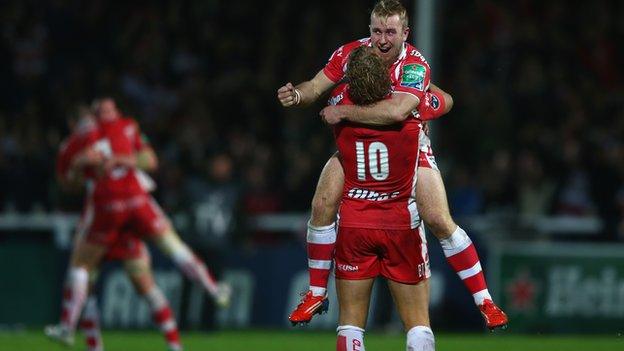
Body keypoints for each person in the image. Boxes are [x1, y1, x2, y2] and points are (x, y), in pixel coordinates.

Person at [278, 0, 507, 330]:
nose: (382, 40)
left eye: (390, 32)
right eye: (376, 31)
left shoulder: (414, 64)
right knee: (322, 202)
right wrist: (297, 95)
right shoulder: (351, 54)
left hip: (407, 148)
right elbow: (315, 86)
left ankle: (484, 300)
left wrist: (343, 111)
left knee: (439, 219)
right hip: (358, 147)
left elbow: (400, 111)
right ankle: (316, 291)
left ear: (405, 33)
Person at [45, 98, 231, 345]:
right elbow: (150, 161)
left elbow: (67, 184)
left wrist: (83, 165)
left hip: (106, 214)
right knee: (157, 266)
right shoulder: (126, 126)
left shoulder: (75, 144)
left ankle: (72, 330)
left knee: (83, 272)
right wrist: (117, 161)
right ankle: (203, 301)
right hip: (131, 208)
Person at [47, 105, 183, 351]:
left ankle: (170, 344)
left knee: (102, 279)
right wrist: (80, 165)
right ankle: (170, 344)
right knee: (102, 284)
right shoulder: (81, 147)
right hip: (109, 221)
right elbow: (70, 185)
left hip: (114, 221)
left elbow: (148, 163)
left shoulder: (114, 138)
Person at [332, 45, 434, 350]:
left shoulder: (338, 108)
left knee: (350, 321)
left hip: (355, 220)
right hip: (399, 221)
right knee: (417, 323)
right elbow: (444, 102)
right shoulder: (409, 112)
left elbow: (332, 96)